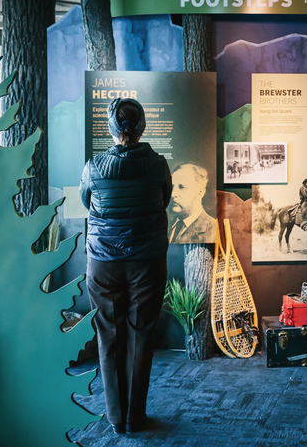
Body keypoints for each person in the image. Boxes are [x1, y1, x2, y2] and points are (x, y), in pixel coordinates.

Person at [80, 98, 172, 434]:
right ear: (142, 125)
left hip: (103, 262)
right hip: (146, 260)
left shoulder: (94, 165)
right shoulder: (158, 163)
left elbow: (87, 201)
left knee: (108, 335)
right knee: (141, 335)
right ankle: (135, 417)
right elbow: (164, 199)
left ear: (112, 127)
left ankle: (116, 418)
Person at [168, 163, 216, 244]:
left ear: (200, 192)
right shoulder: (167, 226)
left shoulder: (213, 229)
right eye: (172, 187)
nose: (173, 194)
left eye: (182, 187)